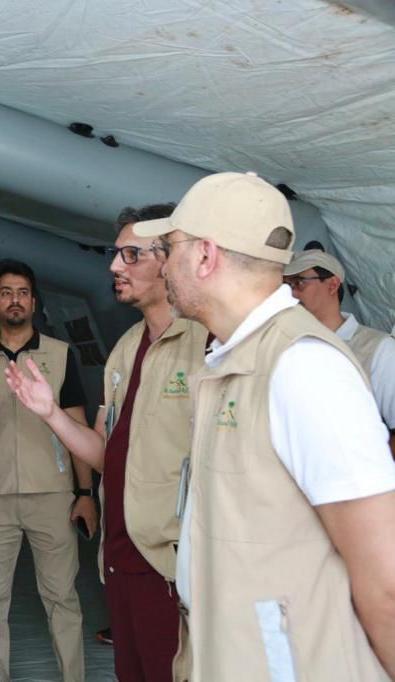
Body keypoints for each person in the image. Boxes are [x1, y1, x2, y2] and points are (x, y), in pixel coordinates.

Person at [133, 170, 395, 679]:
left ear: (205, 255)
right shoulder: (232, 360)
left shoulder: (302, 368)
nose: (162, 264)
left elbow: (384, 576)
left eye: (169, 247)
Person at [5, 204, 209, 681]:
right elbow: (105, 454)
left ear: (172, 257)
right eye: (116, 254)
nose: (116, 266)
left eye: (132, 254)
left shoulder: (206, 343)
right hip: (119, 557)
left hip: (173, 565)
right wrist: (50, 413)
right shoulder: (126, 348)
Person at [0, 258, 93, 682]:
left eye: (22, 293)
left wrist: (85, 494)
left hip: (52, 494)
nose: (15, 300)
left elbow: (77, 427)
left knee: (62, 596)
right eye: (6, 293)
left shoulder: (60, 355)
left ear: (34, 302)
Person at [283, 249, 395, 431]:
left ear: (332, 285)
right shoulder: (286, 347)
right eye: (285, 286)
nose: (291, 293)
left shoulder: (378, 349)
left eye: (298, 282)